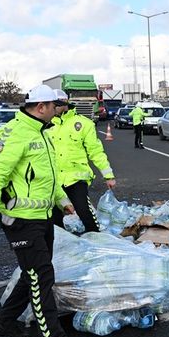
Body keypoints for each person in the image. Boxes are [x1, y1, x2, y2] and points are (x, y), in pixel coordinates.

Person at [0, 85, 89, 337]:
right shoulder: (16, 133)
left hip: (42, 217)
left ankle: (6, 322)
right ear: (41, 107)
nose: (58, 110)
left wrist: (62, 200)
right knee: (41, 276)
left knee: (33, 275)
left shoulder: (42, 132)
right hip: (21, 220)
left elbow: (47, 176)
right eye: (54, 106)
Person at [49, 89, 116, 233]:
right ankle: (61, 244)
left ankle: (96, 238)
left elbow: (95, 151)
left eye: (56, 104)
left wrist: (108, 175)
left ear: (65, 102)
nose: (52, 108)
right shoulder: (46, 124)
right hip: (53, 179)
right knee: (54, 217)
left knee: (84, 211)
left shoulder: (83, 123)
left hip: (76, 177)